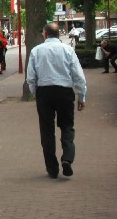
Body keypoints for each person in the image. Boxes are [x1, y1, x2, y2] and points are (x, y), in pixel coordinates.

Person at [27, 22, 87, 179]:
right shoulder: (68, 50)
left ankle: (52, 168)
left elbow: (31, 78)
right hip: (64, 91)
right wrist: (81, 96)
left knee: (46, 130)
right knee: (67, 126)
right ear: (58, 35)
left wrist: (36, 94)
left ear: (45, 34)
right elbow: (78, 75)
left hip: (44, 92)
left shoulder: (36, 51)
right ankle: (67, 158)